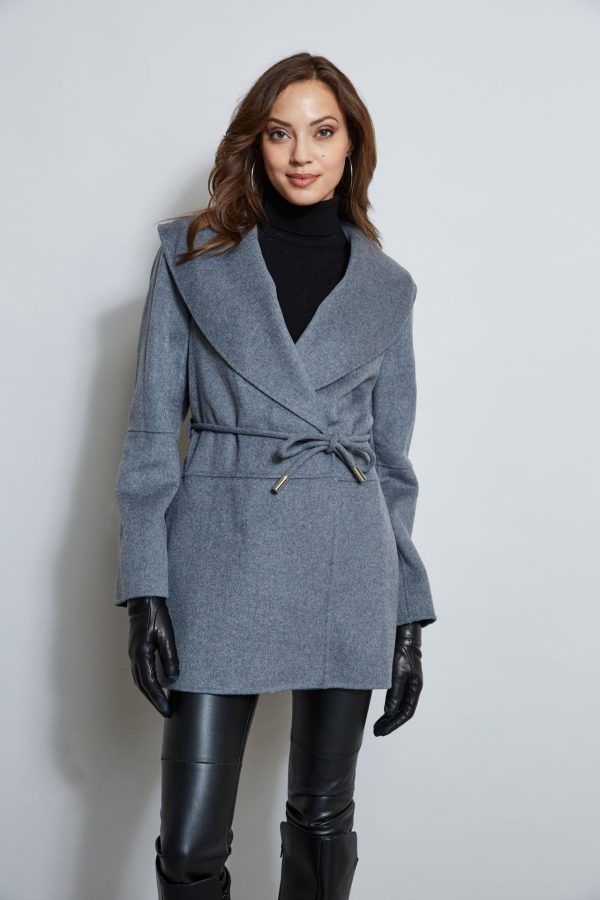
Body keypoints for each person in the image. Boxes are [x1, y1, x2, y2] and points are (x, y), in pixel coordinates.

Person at [114, 52, 437, 900]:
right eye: (280, 133)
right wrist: (145, 588)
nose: (302, 154)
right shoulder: (192, 259)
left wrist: (408, 613)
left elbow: (393, 464)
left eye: (323, 132)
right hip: (220, 555)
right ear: (254, 146)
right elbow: (150, 436)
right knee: (190, 847)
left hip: (345, 558)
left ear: (352, 144)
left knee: (322, 820)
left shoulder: (387, 288)